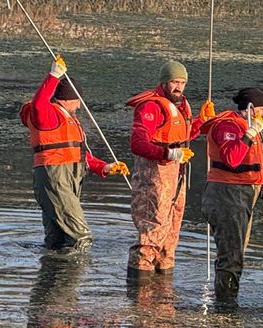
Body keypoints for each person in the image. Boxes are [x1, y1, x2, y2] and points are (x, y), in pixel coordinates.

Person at [20, 56, 129, 253]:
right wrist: (53, 76)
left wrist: (106, 167)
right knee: (81, 236)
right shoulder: (48, 115)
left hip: (67, 177)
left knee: (57, 238)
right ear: (71, 99)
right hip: (55, 176)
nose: (79, 106)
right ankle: (76, 275)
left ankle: (55, 279)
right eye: (78, 101)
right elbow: (37, 104)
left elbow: (79, 155)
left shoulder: (68, 119)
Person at [126, 60, 215, 278]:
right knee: (152, 226)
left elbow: (180, 136)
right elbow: (137, 144)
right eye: (174, 81)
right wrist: (168, 154)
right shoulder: (151, 106)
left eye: (182, 82)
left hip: (177, 171)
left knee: (172, 227)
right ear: (164, 82)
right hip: (154, 172)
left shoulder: (181, 105)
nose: (178, 87)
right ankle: (140, 286)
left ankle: (164, 287)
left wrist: (201, 122)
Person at [199, 87, 263, 304]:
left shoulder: (250, 130)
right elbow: (232, 158)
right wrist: (250, 132)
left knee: (236, 251)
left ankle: (228, 297)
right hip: (226, 194)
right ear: (250, 109)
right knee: (231, 255)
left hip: (244, 194)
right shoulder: (228, 126)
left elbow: (253, 170)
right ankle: (226, 304)